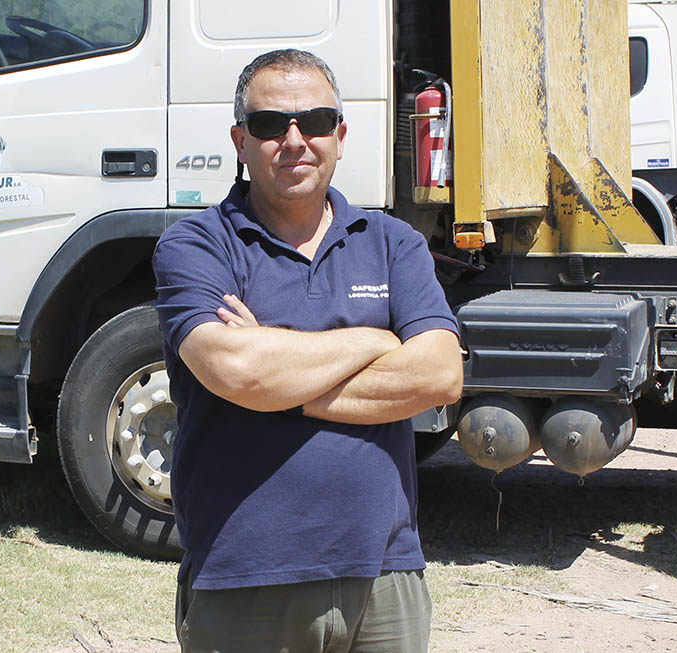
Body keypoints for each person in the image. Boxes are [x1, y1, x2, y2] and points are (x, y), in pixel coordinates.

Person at [152, 48, 463, 653]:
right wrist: (376, 340)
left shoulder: (392, 243)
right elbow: (235, 369)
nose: (294, 140)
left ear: (340, 136)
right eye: (270, 125)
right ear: (240, 142)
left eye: (315, 122)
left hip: (385, 575)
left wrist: (278, 382)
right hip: (242, 575)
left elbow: (439, 375)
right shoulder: (194, 245)